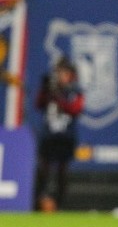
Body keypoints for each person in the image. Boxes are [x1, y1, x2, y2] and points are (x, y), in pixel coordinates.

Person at [34, 55, 84, 212]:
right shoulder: (50, 88)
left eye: (63, 72)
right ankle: (39, 201)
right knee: (43, 168)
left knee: (62, 170)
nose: (60, 75)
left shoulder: (75, 91)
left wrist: (58, 97)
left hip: (65, 136)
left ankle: (59, 203)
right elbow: (38, 104)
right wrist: (45, 91)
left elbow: (75, 109)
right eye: (58, 72)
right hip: (49, 135)